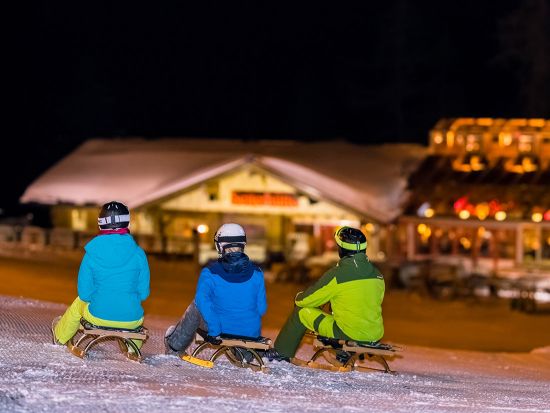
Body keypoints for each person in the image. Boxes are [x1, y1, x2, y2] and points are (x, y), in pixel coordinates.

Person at [267, 226, 385, 361]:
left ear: (342, 249)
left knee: (301, 311)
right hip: (374, 334)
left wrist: (298, 297)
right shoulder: (377, 274)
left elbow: (307, 300)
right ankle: (342, 353)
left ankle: (281, 352)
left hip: (349, 334)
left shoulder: (338, 275)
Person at [51, 201, 150, 353]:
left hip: (97, 316)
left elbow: (85, 294)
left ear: (100, 223)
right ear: (127, 222)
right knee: (133, 308)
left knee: (79, 304)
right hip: (131, 319)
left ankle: (59, 337)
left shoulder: (92, 253)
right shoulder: (138, 254)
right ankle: (133, 349)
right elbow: (144, 293)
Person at [165, 223, 267, 355]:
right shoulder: (257, 272)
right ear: (243, 244)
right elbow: (261, 307)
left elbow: (203, 303)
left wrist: (214, 331)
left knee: (198, 304)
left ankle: (175, 346)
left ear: (219, 246)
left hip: (221, 330)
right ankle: (245, 353)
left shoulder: (210, 272)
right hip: (249, 332)